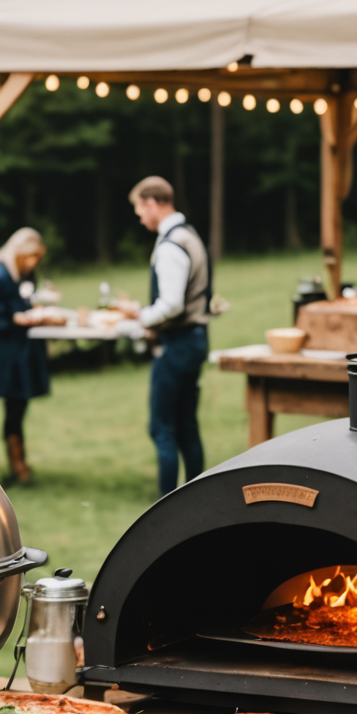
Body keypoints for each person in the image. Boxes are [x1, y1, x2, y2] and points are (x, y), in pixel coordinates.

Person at [128, 177, 212, 495]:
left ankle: (164, 508)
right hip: (195, 339)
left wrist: (142, 318)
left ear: (153, 203)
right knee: (187, 426)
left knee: (162, 428)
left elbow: (172, 304)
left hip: (177, 344)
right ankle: (196, 499)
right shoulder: (189, 234)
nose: (139, 216)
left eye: (139, 208)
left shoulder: (172, 244)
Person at [0, 226, 50, 484]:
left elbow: (26, 300)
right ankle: (17, 464)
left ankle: (20, 462)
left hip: (21, 349)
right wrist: (14, 319)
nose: (34, 263)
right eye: (31, 257)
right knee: (14, 406)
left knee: (20, 405)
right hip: (5, 354)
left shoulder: (25, 273)